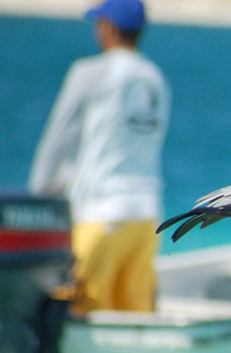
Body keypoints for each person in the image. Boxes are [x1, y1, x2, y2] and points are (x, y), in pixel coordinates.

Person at [28, 0, 170, 315]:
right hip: (146, 217)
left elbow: (58, 139)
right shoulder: (155, 78)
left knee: (85, 315)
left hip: (101, 215)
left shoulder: (90, 72)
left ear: (107, 27)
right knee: (135, 317)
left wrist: (38, 199)